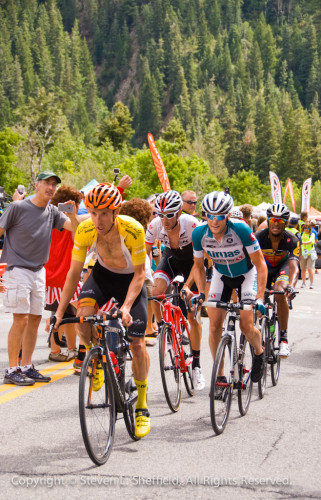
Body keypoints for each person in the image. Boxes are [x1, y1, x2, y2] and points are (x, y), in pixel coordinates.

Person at [53, 183, 151, 438]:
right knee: (82, 317)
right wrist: (60, 312)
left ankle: (141, 405)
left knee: (138, 344)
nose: (97, 219)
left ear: (116, 211)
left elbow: (140, 275)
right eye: (93, 212)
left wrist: (126, 307)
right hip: (103, 275)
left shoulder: (133, 230)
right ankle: (96, 358)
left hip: (131, 279)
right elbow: (74, 272)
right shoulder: (85, 229)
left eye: (104, 213)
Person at [0, 171, 80, 386]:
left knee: (35, 318)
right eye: (47, 183)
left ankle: (26, 365)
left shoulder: (53, 211)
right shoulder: (17, 207)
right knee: (21, 319)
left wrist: (72, 214)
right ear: (37, 184)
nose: (51, 187)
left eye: (54, 184)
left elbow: (75, 229)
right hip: (17, 269)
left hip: (38, 270)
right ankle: (12, 369)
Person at [191, 191, 267, 388]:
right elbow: (198, 266)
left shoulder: (241, 229)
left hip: (246, 276)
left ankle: (259, 352)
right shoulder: (199, 233)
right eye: (210, 215)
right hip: (221, 275)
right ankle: (220, 375)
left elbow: (260, 264)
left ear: (227, 215)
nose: (214, 221)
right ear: (205, 215)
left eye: (220, 216)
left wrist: (259, 298)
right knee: (215, 326)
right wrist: (200, 292)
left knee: (246, 325)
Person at [145, 190, 205, 390]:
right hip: (170, 259)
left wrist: (187, 286)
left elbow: (199, 263)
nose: (164, 219)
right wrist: (143, 276)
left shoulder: (192, 224)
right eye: (160, 215)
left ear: (179, 212)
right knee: (154, 292)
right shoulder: (154, 225)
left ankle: (196, 364)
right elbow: (144, 256)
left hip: (192, 263)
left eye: (169, 214)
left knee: (193, 314)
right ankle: (164, 328)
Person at [45, 185, 85, 361]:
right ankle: (55, 350)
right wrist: (73, 215)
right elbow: (77, 235)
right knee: (64, 315)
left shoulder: (47, 218)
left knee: (66, 314)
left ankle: (70, 347)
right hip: (66, 273)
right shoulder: (68, 222)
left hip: (51, 272)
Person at [255, 203, 299, 358]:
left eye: (280, 221)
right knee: (258, 294)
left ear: (285, 223)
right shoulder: (258, 237)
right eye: (272, 220)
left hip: (282, 267)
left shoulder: (292, 240)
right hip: (265, 268)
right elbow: (251, 262)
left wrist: (291, 287)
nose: (275, 223)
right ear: (268, 220)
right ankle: (260, 328)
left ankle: (284, 339)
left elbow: (294, 266)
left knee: (280, 293)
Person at [300, 222, 316, 289]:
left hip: (310, 253)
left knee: (309, 268)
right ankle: (303, 282)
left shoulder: (312, 234)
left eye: (308, 228)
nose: (306, 229)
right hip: (303, 253)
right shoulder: (301, 234)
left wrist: (301, 243)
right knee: (303, 269)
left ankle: (311, 283)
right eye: (305, 228)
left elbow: (310, 242)